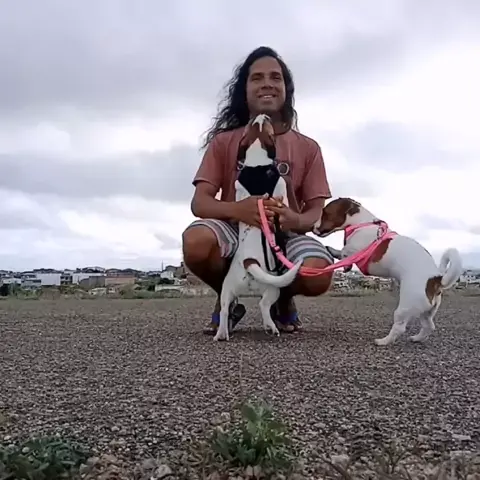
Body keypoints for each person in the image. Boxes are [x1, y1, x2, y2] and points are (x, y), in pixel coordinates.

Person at [182, 46, 334, 335]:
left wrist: (292, 218)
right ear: (244, 90)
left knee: (317, 272)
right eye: (257, 78)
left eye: (275, 77)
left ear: (286, 89)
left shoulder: (308, 147)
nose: (267, 84)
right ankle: (227, 297)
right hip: (237, 231)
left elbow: (316, 212)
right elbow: (199, 203)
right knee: (196, 241)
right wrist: (237, 210)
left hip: (286, 236)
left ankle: (282, 298)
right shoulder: (223, 142)